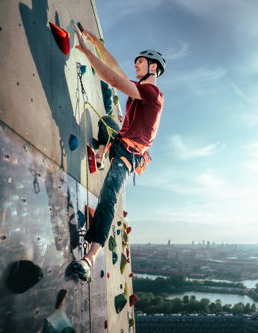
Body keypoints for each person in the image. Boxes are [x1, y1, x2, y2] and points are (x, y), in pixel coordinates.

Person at [71, 25, 165, 281]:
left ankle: (90, 257)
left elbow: (112, 79)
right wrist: (98, 45)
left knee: (108, 196)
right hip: (121, 141)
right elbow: (117, 70)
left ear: (153, 68)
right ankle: (102, 153)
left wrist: (87, 53)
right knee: (106, 123)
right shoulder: (142, 89)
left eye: (141, 62)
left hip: (129, 156)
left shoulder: (151, 93)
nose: (136, 66)